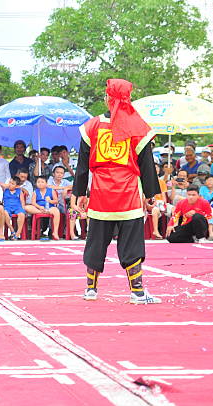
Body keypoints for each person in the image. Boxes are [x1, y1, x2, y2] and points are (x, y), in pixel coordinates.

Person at [74, 78, 162, 304]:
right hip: (128, 194)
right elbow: (146, 164)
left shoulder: (91, 126)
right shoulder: (138, 126)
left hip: (101, 194)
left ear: (107, 98)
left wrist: (79, 193)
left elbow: (82, 165)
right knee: (131, 243)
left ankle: (91, 290)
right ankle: (138, 292)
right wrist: (151, 195)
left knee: (95, 241)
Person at [31, 176, 61, 240]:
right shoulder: (35, 191)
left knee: (56, 211)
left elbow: (56, 201)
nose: (40, 183)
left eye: (42, 182)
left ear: (46, 183)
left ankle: (55, 232)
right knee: (27, 207)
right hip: (38, 208)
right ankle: (43, 211)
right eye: (38, 182)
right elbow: (33, 202)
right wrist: (39, 207)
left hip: (49, 208)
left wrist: (50, 201)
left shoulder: (51, 190)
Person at [199, 175, 213, 241]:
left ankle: (210, 234)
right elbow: (202, 199)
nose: (209, 182)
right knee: (211, 211)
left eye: (211, 180)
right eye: (207, 180)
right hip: (205, 207)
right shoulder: (202, 189)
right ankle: (211, 233)